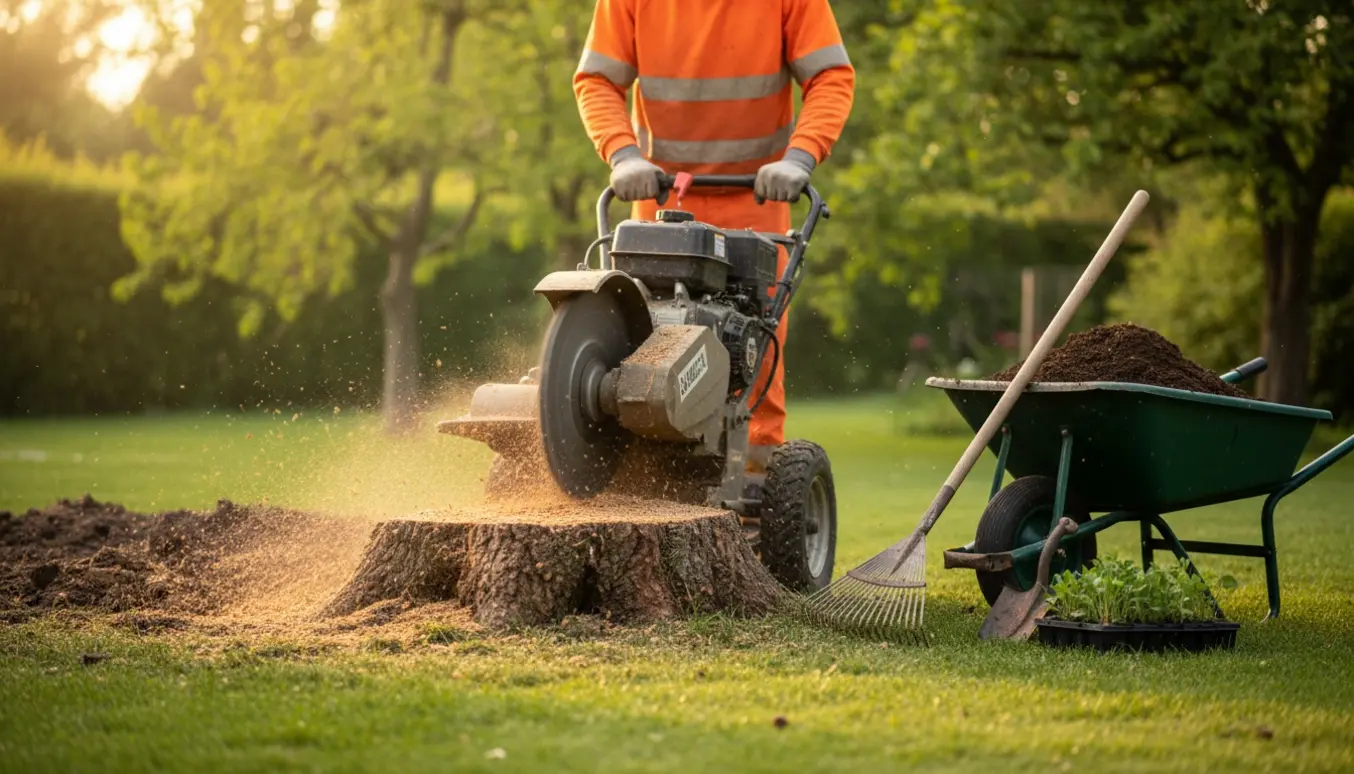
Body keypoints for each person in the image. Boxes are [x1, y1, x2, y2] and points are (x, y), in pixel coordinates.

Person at [573, 0, 855, 470]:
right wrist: (623, 155)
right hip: (662, 202)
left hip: (758, 201)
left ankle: (756, 491)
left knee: (754, 356)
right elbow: (597, 80)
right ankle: (642, 480)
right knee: (639, 346)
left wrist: (799, 158)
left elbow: (830, 77)